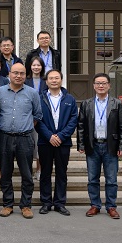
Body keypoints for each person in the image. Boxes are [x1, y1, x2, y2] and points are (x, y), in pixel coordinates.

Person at [77, 73, 122, 219]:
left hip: (110, 146)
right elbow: (81, 126)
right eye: (98, 83)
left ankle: (111, 206)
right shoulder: (86, 104)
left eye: (104, 83)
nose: (101, 86)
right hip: (92, 145)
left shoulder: (116, 104)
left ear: (109, 85)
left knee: (111, 180)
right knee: (92, 179)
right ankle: (95, 205)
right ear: (93, 86)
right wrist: (81, 144)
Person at [0, 62, 43, 219]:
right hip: (4, 137)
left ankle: (26, 205)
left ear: (26, 75)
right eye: (15, 73)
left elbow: (38, 114)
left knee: (27, 174)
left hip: (25, 138)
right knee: (5, 173)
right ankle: (7, 204)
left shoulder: (32, 93)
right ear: (9, 74)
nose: (18, 76)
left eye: (22, 73)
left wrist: (25, 126)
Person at [36, 70, 77, 216]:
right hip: (45, 141)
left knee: (61, 173)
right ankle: (46, 202)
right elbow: (37, 119)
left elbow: (73, 120)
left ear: (61, 80)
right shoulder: (39, 98)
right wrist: (49, 136)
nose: (54, 80)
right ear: (46, 81)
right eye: (51, 78)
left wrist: (60, 136)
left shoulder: (70, 99)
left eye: (57, 78)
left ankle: (60, 203)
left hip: (63, 142)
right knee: (45, 173)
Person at [24, 55, 47, 181]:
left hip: (42, 117)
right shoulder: (25, 80)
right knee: (28, 146)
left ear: (42, 67)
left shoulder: (46, 80)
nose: (36, 67)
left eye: (38, 65)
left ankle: (39, 169)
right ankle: (28, 171)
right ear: (30, 66)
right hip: (27, 116)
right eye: (34, 65)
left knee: (39, 145)